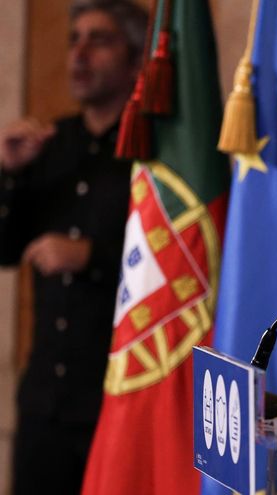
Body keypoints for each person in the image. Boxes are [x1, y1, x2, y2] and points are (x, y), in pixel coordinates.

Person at [0, 1, 147, 493]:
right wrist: (7, 175)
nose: (79, 55)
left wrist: (92, 257)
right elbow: (5, 247)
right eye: (74, 40)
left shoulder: (153, 155)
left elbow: (184, 269)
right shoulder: (51, 144)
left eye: (98, 40)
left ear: (134, 59)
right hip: (45, 400)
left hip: (118, 400)